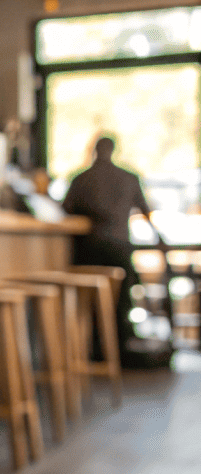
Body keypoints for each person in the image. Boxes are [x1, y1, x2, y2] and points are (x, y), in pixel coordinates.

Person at [61, 135, 163, 353]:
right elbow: (145, 211)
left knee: (93, 304)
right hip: (119, 249)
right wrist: (159, 239)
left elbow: (64, 211)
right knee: (121, 302)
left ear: (94, 150)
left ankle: (96, 350)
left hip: (89, 251)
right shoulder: (128, 177)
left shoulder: (80, 179)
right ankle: (117, 350)